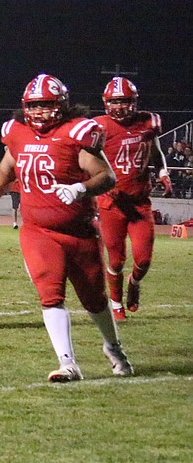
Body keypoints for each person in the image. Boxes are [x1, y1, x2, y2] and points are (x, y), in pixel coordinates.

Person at [0, 73, 132, 382]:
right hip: (38, 230)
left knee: (95, 299)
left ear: (61, 105)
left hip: (79, 230)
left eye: (47, 105)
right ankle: (67, 362)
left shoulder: (76, 133)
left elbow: (107, 176)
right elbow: (7, 168)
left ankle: (113, 347)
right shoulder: (18, 133)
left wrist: (80, 189)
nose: (40, 112)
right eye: (35, 106)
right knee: (50, 293)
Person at [92, 77, 171, 320]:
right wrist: (99, 184)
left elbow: (156, 151)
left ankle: (134, 283)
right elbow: (87, 161)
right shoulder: (98, 127)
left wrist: (163, 172)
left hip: (139, 203)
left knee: (144, 259)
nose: (119, 106)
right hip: (111, 203)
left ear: (134, 102)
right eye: (115, 101)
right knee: (115, 260)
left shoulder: (148, 122)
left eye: (124, 101)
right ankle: (116, 303)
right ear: (106, 102)